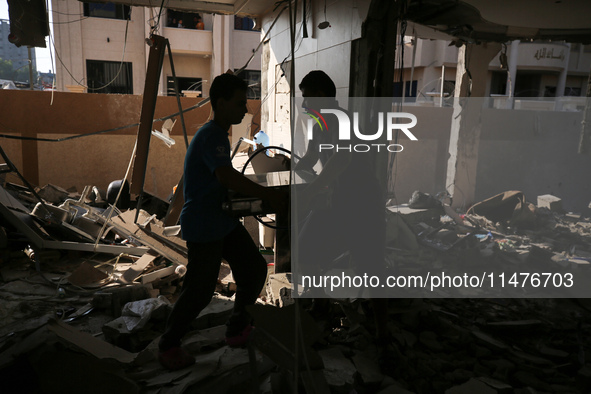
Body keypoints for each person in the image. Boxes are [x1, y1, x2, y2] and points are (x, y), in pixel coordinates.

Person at [158, 73, 286, 371]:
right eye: (240, 103)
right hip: (204, 225)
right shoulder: (211, 135)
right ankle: (168, 345)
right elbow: (226, 176)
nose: (245, 109)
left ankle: (236, 328)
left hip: (221, 221)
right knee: (199, 291)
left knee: (254, 269)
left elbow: (221, 182)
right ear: (221, 102)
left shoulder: (217, 134)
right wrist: (267, 194)